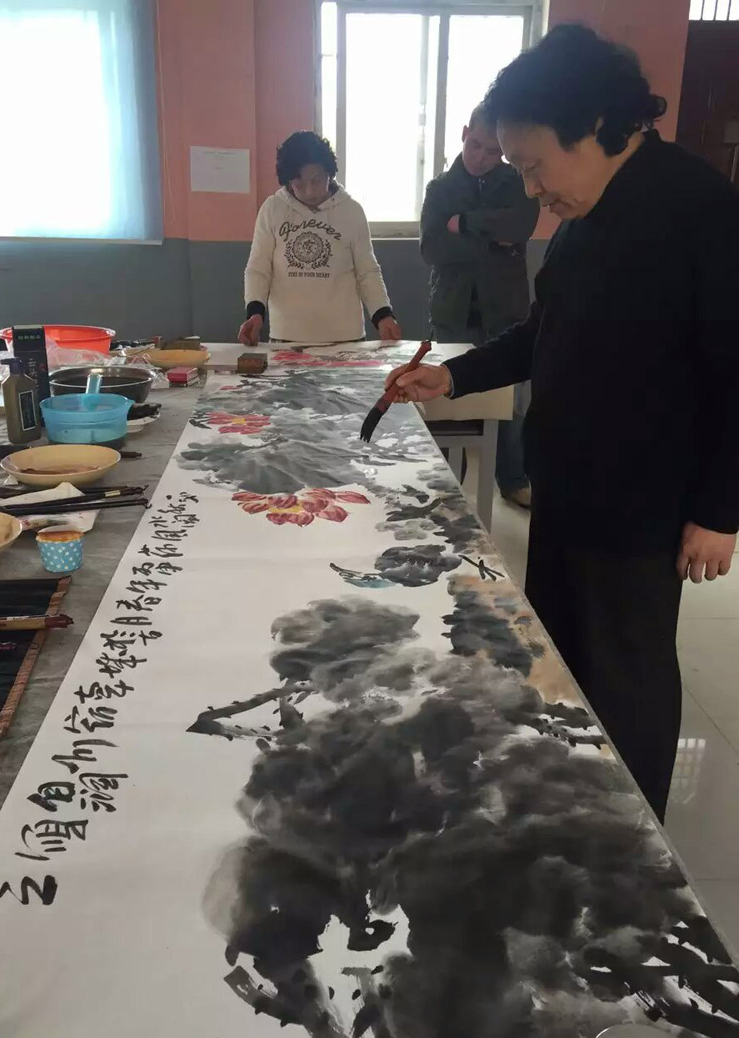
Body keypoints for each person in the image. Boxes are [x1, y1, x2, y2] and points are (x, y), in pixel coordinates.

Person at [384, 24, 739, 822]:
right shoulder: (584, 218)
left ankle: (631, 839)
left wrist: (721, 509)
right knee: (559, 665)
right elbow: (543, 332)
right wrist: (453, 375)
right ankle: (563, 809)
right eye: (518, 169)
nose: (531, 187)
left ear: (596, 126)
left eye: (534, 164)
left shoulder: (701, 210)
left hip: (640, 506)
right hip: (566, 489)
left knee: (626, 678)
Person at [421, 105, 539, 508]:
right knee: (445, 402)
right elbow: (432, 249)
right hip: (453, 314)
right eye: (475, 145)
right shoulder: (440, 189)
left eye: (493, 151)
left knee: (511, 405)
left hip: (506, 313)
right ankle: (446, 487)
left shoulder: (516, 182)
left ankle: (513, 479)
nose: (481, 157)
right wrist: (494, 241)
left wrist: (465, 224)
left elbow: (521, 226)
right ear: (464, 133)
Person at [239, 131, 401, 347]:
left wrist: (383, 315)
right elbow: (258, 268)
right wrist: (255, 312)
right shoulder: (272, 209)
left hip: (345, 338)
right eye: (299, 183)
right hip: (287, 338)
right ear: (288, 180)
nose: (309, 191)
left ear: (329, 173)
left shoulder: (351, 211)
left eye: (316, 180)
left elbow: (367, 271)